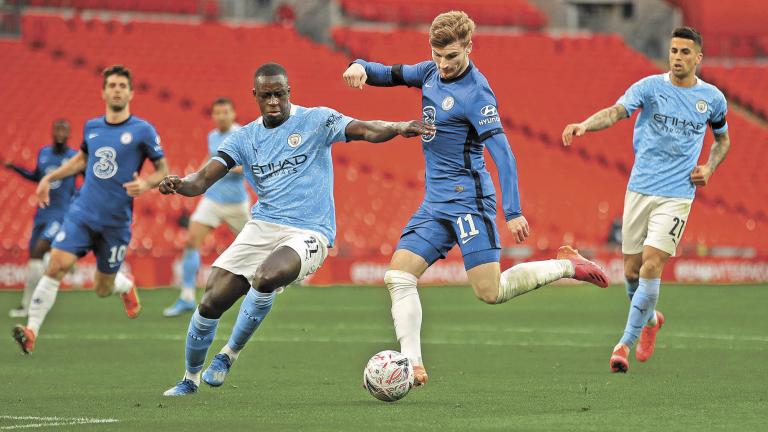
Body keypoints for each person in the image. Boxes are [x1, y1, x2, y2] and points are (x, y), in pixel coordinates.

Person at [342, 10, 609, 387]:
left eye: (452, 56)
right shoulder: (430, 72)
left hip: (469, 201)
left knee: (490, 291)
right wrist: (359, 66)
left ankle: (567, 266)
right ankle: (412, 365)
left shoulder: (477, 93)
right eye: (437, 55)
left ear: (469, 46)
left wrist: (512, 211)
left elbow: (503, 154)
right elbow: (389, 73)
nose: (444, 65)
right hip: (435, 204)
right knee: (398, 276)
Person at [160, 62, 433, 396]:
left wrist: (398, 126)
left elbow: (364, 129)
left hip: (310, 231)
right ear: (255, 96)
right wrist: (180, 184)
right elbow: (202, 179)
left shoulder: (316, 120)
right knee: (211, 301)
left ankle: (228, 354)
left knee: (267, 276)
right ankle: (189, 379)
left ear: (289, 91)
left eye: (279, 94)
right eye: (266, 95)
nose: (273, 101)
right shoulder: (244, 138)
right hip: (262, 226)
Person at [561, 27, 730, 373]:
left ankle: (624, 343)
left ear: (698, 57)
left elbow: (722, 141)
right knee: (631, 272)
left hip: (678, 194)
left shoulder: (712, 98)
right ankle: (651, 320)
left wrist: (709, 168)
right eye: (674, 51)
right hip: (639, 189)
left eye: (685, 52)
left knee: (652, 264)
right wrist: (584, 125)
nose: (678, 57)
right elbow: (615, 112)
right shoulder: (649, 88)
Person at [11, 65, 169, 354]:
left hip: (116, 222)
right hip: (82, 212)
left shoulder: (143, 130)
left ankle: (124, 285)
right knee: (56, 264)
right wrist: (49, 176)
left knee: (102, 288)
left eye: (123, 85)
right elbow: (81, 160)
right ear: (104, 92)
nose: (118, 89)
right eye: (112, 85)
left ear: (131, 92)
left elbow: (163, 169)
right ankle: (31, 329)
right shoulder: (92, 127)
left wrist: (146, 184)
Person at [163, 98, 250, 317]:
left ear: (233, 113)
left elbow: (247, 166)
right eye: (217, 112)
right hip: (212, 199)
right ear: (213, 115)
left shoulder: (242, 134)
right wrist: (191, 178)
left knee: (256, 245)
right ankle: (186, 297)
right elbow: (209, 161)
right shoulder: (212, 136)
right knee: (192, 240)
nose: (221, 116)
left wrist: (222, 168)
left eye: (225, 112)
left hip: (237, 204)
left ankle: (272, 282)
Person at [4, 119, 78, 318]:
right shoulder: (44, 153)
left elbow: (88, 180)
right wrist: (14, 168)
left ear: (69, 134)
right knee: (34, 260)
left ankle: (64, 258)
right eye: (58, 129)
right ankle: (27, 305)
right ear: (53, 132)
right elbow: (37, 177)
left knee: (38, 252)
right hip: (42, 213)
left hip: (60, 213)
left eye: (65, 130)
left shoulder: (74, 157)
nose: (61, 133)